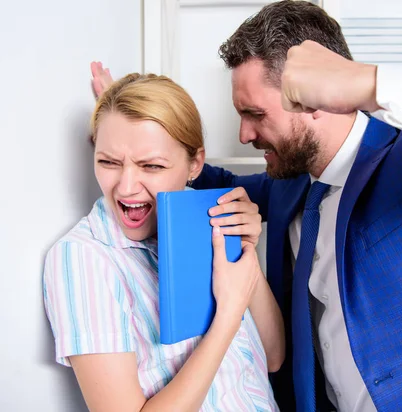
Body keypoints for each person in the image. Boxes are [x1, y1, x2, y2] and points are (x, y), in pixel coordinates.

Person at [92, 1, 402, 411]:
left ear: (315, 100)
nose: (244, 134)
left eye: (254, 115)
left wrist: (377, 85)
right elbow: (196, 172)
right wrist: (133, 126)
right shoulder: (286, 186)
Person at [43, 73, 284, 411]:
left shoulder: (210, 216)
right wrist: (228, 314)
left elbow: (273, 357)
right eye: (108, 162)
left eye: (151, 166)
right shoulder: (85, 257)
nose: (126, 187)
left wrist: (247, 253)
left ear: (194, 164)